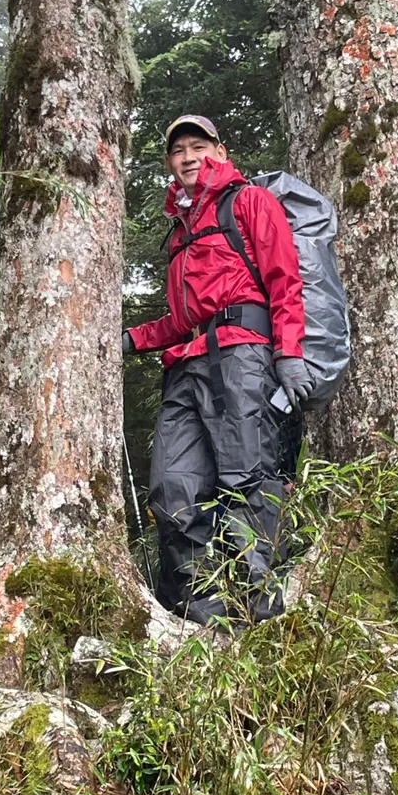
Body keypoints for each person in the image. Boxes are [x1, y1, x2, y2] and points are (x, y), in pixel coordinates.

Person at [123, 115, 313, 626]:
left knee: (248, 477)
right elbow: (182, 319)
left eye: (198, 146)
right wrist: (132, 339)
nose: (188, 156)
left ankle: (256, 613)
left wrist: (289, 354)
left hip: (244, 357)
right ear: (169, 163)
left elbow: (284, 280)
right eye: (178, 150)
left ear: (219, 151)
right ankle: (198, 614)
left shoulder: (249, 202)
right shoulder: (179, 235)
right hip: (188, 364)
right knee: (172, 484)